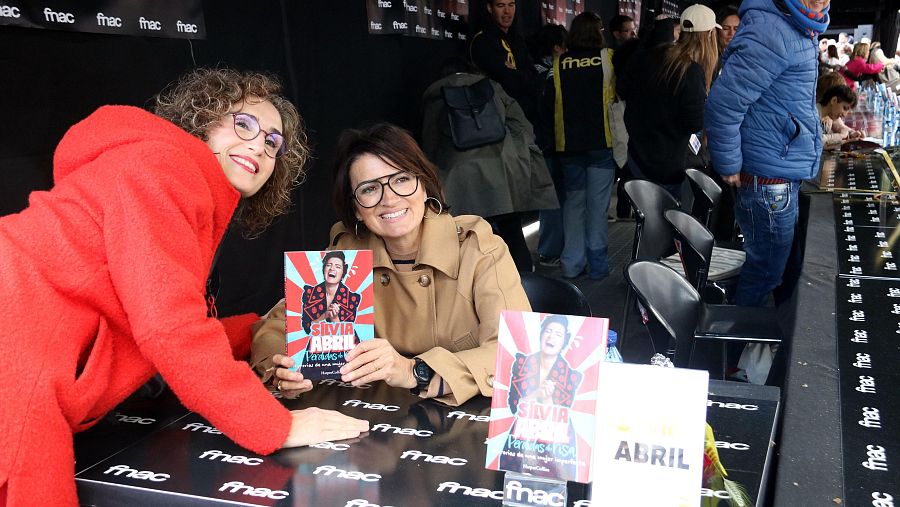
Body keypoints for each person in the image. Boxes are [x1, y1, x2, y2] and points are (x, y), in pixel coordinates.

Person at [0, 68, 368, 506]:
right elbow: (169, 327)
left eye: (273, 143)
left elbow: (159, 318)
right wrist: (277, 426)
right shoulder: (165, 167)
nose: (258, 145)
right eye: (244, 123)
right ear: (200, 118)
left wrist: (260, 330)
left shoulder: (162, 175)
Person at [251, 123, 531, 406]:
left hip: (465, 417)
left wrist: (414, 371)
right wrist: (281, 368)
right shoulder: (346, 252)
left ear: (424, 186)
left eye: (401, 179)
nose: (390, 198)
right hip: (377, 416)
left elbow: (518, 352)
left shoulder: (479, 247)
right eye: (370, 189)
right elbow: (277, 325)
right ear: (356, 209)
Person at [706, 0, 830, 384]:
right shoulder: (773, 30)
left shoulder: (795, 27)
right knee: (764, 275)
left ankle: (747, 358)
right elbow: (723, 105)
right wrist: (727, 163)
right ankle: (740, 366)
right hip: (768, 182)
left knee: (769, 271)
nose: (820, 1)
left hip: (777, 175)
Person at [420, 58, 557, 273]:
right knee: (513, 233)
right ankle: (523, 287)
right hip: (501, 172)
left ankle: (480, 291)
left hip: (458, 179)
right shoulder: (491, 88)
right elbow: (521, 124)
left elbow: (430, 141)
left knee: (466, 241)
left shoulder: (435, 95)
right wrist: (513, 152)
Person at [618, 4, 720, 199]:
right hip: (669, 165)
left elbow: (625, 92)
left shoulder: (654, 57)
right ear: (709, 35)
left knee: (650, 223)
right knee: (668, 225)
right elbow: (694, 122)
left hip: (640, 157)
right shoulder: (690, 70)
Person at [545, 11, 618, 280]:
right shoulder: (608, 59)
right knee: (598, 208)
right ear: (598, 32)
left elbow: (548, 104)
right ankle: (597, 267)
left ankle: (571, 264)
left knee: (573, 206)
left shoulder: (558, 63)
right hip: (602, 144)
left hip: (568, 146)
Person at [500, 314, 581, 478]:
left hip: (556, 443)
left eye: (558, 334)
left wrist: (547, 399)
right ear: (541, 334)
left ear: (565, 341)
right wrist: (535, 394)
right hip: (521, 437)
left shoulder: (571, 376)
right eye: (548, 331)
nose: (551, 337)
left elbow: (562, 415)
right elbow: (514, 405)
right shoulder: (522, 363)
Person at [470, 0, 537, 123]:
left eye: (511, 5)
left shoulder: (518, 40)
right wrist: (519, 74)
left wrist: (516, 72)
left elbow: (532, 75)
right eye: (500, 5)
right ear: (490, 8)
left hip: (524, 115)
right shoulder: (483, 40)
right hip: (496, 117)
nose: (507, 11)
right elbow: (506, 80)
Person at [300, 250, 361, 334]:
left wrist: (335, 318)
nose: (332, 269)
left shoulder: (352, 299)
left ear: (343, 272)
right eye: (328, 265)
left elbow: (348, 334)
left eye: (338, 266)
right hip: (315, 345)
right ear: (323, 269)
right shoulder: (309, 293)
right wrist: (324, 316)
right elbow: (306, 329)